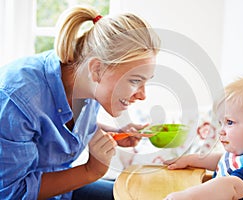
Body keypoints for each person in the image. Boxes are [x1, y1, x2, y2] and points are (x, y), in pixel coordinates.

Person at [0, 4, 160, 200]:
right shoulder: (16, 100)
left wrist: (115, 133)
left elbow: (59, 126)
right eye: (135, 81)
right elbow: (11, 193)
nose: (143, 95)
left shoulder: (87, 81)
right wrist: (91, 171)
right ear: (97, 69)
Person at [163, 76, 243, 200]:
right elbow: (223, 160)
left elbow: (229, 187)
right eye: (221, 123)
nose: (221, 131)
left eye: (229, 122)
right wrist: (190, 159)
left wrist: (186, 196)